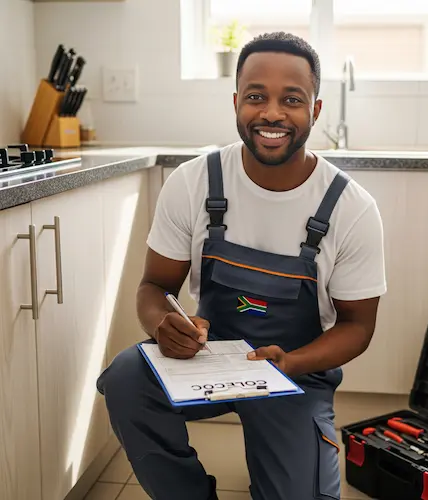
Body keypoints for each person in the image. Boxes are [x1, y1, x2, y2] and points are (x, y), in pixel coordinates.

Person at [97, 31, 386, 500]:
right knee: (127, 377)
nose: (271, 112)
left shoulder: (350, 208)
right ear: (236, 103)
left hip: (296, 372)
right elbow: (154, 285)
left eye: (291, 99)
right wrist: (163, 323)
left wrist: (291, 362)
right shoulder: (194, 182)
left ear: (314, 110)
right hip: (207, 361)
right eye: (256, 96)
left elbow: (358, 326)